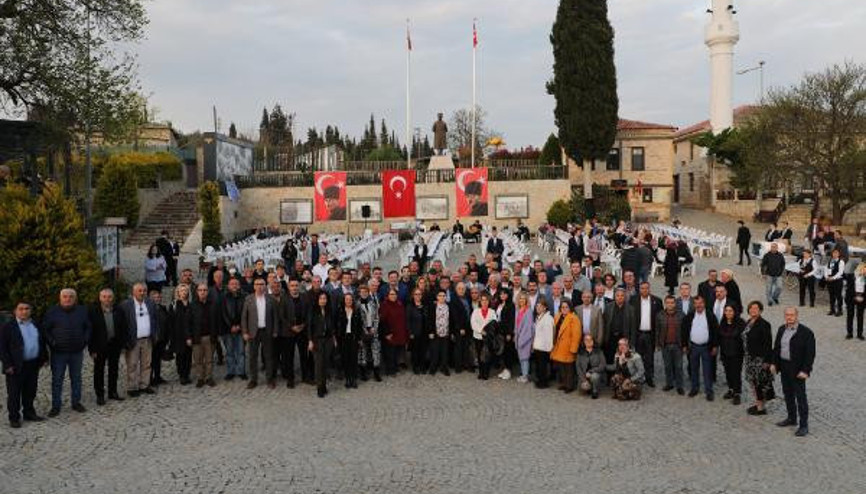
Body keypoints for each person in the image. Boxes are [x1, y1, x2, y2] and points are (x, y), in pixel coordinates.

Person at [43, 288, 91, 416]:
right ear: (60, 298)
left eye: (70, 296)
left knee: (76, 378)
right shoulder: (52, 312)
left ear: (75, 298)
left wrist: (84, 341)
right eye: (65, 296)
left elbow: (88, 327)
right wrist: (52, 343)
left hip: (76, 351)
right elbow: (45, 330)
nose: (68, 299)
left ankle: (76, 402)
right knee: (57, 379)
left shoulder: (82, 311)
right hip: (58, 352)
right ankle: (56, 406)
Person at [1, 302, 48, 427]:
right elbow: (3, 348)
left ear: (31, 310)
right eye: (21, 309)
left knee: (30, 391)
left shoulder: (36, 324)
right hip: (15, 366)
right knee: (14, 393)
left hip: (33, 364)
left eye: (27, 309)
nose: (24, 311)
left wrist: (44, 358)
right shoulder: (8, 327)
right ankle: (14, 417)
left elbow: (42, 342)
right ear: (15, 311)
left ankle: (29, 413)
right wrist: (7, 365)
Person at [771, 307, 816, 437]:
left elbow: (810, 354)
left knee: (800, 397)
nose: (789, 317)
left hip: (797, 369)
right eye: (787, 315)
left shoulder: (806, 332)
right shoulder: (781, 329)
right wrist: (774, 363)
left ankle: (803, 425)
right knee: (788, 394)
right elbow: (777, 348)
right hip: (784, 366)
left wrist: (805, 370)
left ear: (797, 316)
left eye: (792, 315)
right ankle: (791, 418)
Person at [118, 283, 160, 396]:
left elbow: (155, 319)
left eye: (144, 291)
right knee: (132, 365)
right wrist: (124, 341)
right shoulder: (126, 305)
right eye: (140, 291)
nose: (142, 293)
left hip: (147, 339)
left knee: (147, 364)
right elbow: (122, 324)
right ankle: (132, 387)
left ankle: (144, 385)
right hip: (133, 340)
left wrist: (155, 334)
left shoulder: (150, 303)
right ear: (133, 292)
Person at [88, 288, 127, 405]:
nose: (107, 299)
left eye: (109, 297)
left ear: (113, 298)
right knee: (99, 370)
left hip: (114, 344)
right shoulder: (93, 311)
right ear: (100, 298)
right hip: (99, 346)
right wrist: (92, 349)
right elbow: (90, 332)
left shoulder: (118, 310)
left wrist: (122, 344)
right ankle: (100, 394)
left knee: (114, 369)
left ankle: (112, 392)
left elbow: (123, 327)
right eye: (104, 297)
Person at [241, 278, 277, 389]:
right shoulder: (248, 299)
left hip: (267, 331)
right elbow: (244, 317)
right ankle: (253, 379)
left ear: (265, 286)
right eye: (257, 284)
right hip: (253, 332)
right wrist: (245, 332)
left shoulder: (271, 299)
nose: (260, 286)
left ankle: (269, 379)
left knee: (269, 356)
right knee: (253, 356)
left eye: (262, 284)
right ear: (254, 286)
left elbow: (275, 316)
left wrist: (275, 330)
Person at [682, 296, 718, 401]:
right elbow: (684, 331)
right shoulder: (689, 316)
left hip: (706, 347)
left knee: (708, 370)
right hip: (693, 347)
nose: (699, 305)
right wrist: (684, 345)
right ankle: (695, 388)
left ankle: (709, 390)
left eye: (701, 303)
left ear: (704, 303)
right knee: (693, 369)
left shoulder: (710, 316)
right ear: (694, 305)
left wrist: (715, 346)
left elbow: (715, 332)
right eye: (696, 303)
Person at [742, 301, 775, 416]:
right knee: (752, 382)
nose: (753, 310)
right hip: (749, 359)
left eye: (756, 308)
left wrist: (767, 361)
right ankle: (758, 404)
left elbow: (768, 344)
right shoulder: (748, 322)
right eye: (751, 308)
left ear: (760, 310)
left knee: (760, 384)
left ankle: (761, 408)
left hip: (759, 359)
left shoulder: (764, 324)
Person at [630, 281, 662, 388]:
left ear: (649, 289)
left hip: (650, 334)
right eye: (642, 288)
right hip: (638, 333)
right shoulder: (633, 300)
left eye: (646, 288)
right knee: (638, 356)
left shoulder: (657, 301)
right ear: (639, 289)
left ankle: (649, 377)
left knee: (649, 357)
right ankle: (639, 376)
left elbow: (659, 319)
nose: (644, 290)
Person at [188, 283, 217, 388]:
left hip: (210, 336)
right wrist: (189, 337)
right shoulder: (192, 305)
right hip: (197, 337)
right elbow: (188, 322)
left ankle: (209, 377)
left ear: (207, 292)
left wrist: (216, 334)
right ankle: (200, 378)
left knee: (209, 359)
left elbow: (216, 321)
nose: (202, 292)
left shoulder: (213, 304)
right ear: (197, 292)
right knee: (198, 360)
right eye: (200, 290)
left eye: (204, 290)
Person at [308, 291, 336, 397]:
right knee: (319, 364)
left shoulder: (329, 311)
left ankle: (324, 385)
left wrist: (334, 339)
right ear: (317, 300)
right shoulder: (313, 311)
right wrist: (310, 340)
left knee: (325, 364)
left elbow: (332, 326)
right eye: (321, 298)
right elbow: (309, 326)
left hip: (328, 340)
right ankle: (319, 387)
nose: (323, 300)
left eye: (324, 298)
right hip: (317, 340)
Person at [655, 295, 684, 395]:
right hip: (665, 345)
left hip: (678, 345)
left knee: (679, 366)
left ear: (675, 304)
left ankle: (680, 385)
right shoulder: (660, 315)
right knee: (667, 365)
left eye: (672, 302)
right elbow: (657, 330)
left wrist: (685, 345)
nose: (670, 305)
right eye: (668, 303)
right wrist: (657, 343)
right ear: (665, 304)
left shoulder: (681, 315)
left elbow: (685, 331)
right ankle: (669, 383)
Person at [551, 301, 581, 393]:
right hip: (559, 345)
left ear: (570, 308)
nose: (564, 309)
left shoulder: (574, 318)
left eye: (566, 307)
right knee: (561, 367)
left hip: (568, 346)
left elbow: (577, 335)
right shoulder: (557, 316)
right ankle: (563, 384)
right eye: (562, 307)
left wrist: (573, 348)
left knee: (569, 368)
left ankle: (570, 385)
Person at [718, 305, 745, 405]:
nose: (728, 313)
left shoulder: (740, 322)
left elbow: (741, 337)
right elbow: (720, 336)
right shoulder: (723, 322)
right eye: (726, 311)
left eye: (730, 311)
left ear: (735, 312)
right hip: (725, 352)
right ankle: (731, 389)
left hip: (736, 353)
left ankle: (737, 393)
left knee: (736, 373)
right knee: (728, 372)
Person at [286, 279, 311, 386]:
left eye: (296, 285)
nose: (294, 287)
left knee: (303, 355)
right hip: (289, 332)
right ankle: (290, 379)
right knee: (289, 356)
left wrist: (303, 325)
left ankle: (305, 377)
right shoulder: (284, 299)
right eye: (292, 286)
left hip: (302, 331)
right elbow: (282, 316)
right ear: (288, 287)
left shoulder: (305, 297)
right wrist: (291, 327)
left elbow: (309, 313)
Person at [603, 289, 636, 371]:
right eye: (617, 295)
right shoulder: (608, 307)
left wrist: (631, 342)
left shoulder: (630, 309)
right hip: (611, 337)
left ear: (625, 297)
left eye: (622, 296)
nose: (619, 297)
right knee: (610, 357)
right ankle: (610, 378)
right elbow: (604, 323)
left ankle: (621, 377)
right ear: (614, 296)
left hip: (623, 337)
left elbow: (633, 327)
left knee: (623, 359)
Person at [221, 278, 246, 381]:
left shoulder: (244, 297)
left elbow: (245, 312)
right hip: (228, 329)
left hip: (241, 329)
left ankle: (241, 371)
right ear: (228, 286)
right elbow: (223, 313)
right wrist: (231, 326)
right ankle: (231, 371)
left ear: (239, 286)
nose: (234, 285)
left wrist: (240, 325)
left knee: (241, 352)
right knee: (229, 352)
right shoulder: (224, 297)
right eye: (232, 284)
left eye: (236, 284)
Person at [336, 293, 363, 388]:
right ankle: (347, 378)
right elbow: (336, 326)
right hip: (343, 338)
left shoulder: (356, 311)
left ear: (353, 301)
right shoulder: (339, 311)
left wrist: (359, 339)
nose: (348, 301)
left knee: (353, 359)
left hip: (353, 337)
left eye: (350, 299)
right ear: (344, 300)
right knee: (346, 359)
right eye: (347, 299)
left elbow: (360, 326)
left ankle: (354, 379)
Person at [379, 288, 408, 376]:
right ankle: (390, 370)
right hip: (390, 333)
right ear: (387, 296)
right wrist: (387, 333)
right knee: (389, 353)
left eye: (394, 294)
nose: (393, 296)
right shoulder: (384, 305)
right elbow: (382, 321)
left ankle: (395, 367)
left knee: (396, 352)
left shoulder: (399, 304)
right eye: (391, 294)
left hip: (399, 332)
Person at [169, 284, 193, 385]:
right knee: (180, 357)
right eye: (181, 291)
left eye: (185, 290)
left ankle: (187, 375)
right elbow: (170, 322)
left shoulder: (191, 304)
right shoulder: (174, 305)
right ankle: (182, 375)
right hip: (178, 336)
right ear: (177, 292)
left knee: (188, 356)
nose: (183, 292)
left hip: (189, 335)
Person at [356, 285, 382, 382]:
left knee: (376, 351)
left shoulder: (372, 303)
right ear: (359, 293)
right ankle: (363, 373)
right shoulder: (356, 305)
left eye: (366, 292)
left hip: (373, 330)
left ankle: (376, 372)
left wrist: (374, 328)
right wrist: (365, 330)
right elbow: (358, 320)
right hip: (362, 331)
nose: (364, 293)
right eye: (362, 292)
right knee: (363, 352)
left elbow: (376, 316)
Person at [428, 290, 455, 376]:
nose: (442, 297)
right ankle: (433, 368)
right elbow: (430, 320)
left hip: (446, 333)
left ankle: (444, 368)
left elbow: (452, 320)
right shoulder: (433, 307)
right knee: (435, 352)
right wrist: (431, 331)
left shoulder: (449, 307)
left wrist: (451, 332)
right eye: (440, 295)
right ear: (437, 297)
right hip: (436, 333)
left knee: (445, 352)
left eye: (444, 296)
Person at [471, 293, 498, 379]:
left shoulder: (492, 311)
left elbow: (494, 323)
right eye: (482, 300)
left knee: (487, 355)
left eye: (486, 300)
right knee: (479, 355)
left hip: (488, 338)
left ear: (489, 301)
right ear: (480, 301)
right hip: (478, 336)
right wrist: (481, 331)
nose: (484, 302)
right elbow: (473, 323)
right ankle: (481, 372)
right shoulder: (476, 311)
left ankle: (486, 372)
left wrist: (487, 332)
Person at [149, 289, 170, 386]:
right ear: (151, 299)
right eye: (155, 297)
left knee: (158, 359)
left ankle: (157, 376)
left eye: (159, 297)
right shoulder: (149, 309)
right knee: (152, 360)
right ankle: (149, 378)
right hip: (153, 339)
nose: (157, 299)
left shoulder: (163, 308)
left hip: (162, 338)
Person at [532, 299, 555, 389]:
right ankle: (539, 380)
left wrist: (549, 348)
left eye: (540, 306)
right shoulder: (538, 317)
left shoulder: (548, 319)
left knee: (543, 366)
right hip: (538, 346)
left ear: (545, 308)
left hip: (544, 347)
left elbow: (549, 334)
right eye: (537, 306)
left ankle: (543, 382)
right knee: (538, 365)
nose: (538, 308)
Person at [577, 334, 606, 399]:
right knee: (583, 390)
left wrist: (591, 371)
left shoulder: (599, 351)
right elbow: (578, 367)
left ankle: (594, 391)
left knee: (594, 377)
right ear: (584, 342)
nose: (588, 341)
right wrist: (583, 379)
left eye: (590, 339)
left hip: (595, 373)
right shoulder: (580, 352)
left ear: (593, 341)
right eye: (586, 340)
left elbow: (603, 365)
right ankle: (589, 387)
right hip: (584, 375)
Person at [512, 292, 534, 383]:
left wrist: (522, 338)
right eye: (520, 298)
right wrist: (515, 335)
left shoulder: (528, 311)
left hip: (526, 338)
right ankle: (523, 374)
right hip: (518, 336)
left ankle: (525, 376)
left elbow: (528, 327)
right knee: (521, 357)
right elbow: (516, 324)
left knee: (525, 358)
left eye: (523, 299)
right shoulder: (517, 310)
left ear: (526, 300)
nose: (521, 300)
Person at [406, 288, 429, 374]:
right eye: (416, 294)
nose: (418, 296)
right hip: (415, 332)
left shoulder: (425, 305)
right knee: (415, 351)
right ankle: (415, 367)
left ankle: (422, 366)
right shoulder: (410, 306)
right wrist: (410, 332)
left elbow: (428, 318)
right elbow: (407, 320)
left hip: (424, 331)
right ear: (413, 296)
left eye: (419, 294)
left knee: (423, 350)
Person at [847, 262, 866, 340]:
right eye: (862, 268)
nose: (863, 270)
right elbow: (849, 288)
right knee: (850, 315)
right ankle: (849, 333)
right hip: (852, 297)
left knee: (860, 316)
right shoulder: (852, 276)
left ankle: (859, 334)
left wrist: (863, 297)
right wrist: (855, 296)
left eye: (864, 269)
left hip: (862, 297)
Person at [825, 248, 845, 317]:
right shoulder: (830, 261)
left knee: (838, 296)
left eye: (836, 253)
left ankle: (840, 310)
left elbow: (840, 272)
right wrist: (826, 276)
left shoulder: (841, 262)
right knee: (831, 296)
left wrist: (833, 278)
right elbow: (826, 269)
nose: (834, 254)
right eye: (833, 253)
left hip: (837, 281)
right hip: (829, 281)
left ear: (839, 254)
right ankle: (832, 309)